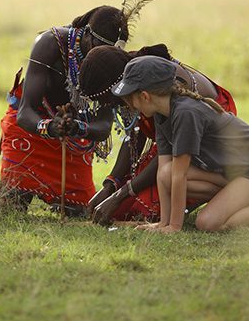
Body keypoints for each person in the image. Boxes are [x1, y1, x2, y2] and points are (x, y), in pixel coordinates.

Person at [111, 55, 249, 232]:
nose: (129, 106)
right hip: (231, 171)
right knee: (165, 174)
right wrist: (163, 223)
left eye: (130, 100)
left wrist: (174, 227)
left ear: (145, 96)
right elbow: (164, 172)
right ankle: (238, 198)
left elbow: (180, 175)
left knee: (207, 223)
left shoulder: (185, 113)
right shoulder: (161, 114)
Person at [0, 3, 143, 215]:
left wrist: (77, 128)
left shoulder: (110, 63)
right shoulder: (51, 43)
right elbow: (24, 113)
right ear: (87, 35)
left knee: (80, 211)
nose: (104, 54)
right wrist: (50, 127)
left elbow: (103, 127)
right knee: (11, 206)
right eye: (100, 47)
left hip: (74, 138)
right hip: (31, 130)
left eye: (111, 50)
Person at [79, 44, 236, 225]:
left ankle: (234, 188)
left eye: (105, 99)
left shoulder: (155, 88)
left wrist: (120, 195)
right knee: (122, 209)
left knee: (145, 208)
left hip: (205, 139)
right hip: (175, 142)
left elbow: (169, 153)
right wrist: (111, 185)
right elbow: (137, 137)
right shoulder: (137, 83)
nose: (106, 105)